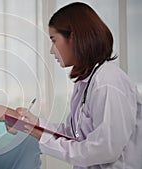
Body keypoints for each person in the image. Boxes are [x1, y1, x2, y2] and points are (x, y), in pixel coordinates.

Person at [16, 2, 142, 169]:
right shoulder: (88, 81)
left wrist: (40, 136)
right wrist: (37, 123)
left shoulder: (108, 83)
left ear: (73, 37)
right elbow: (76, 134)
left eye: (54, 40)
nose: (51, 50)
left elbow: (105, 150)